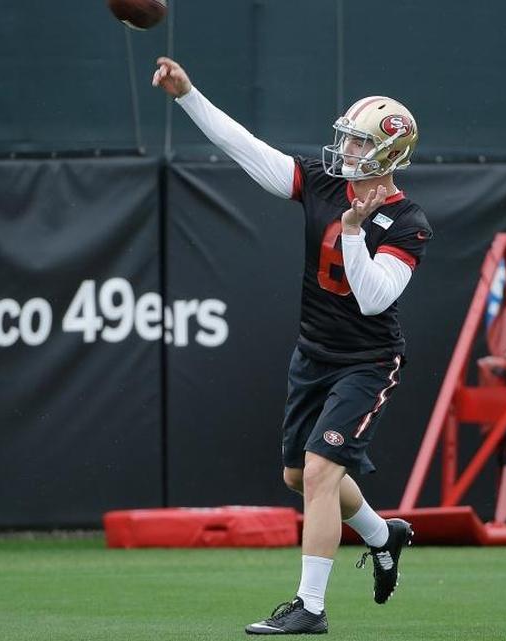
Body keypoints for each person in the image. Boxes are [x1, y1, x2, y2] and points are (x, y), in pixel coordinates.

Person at [153, 57, 433, 635]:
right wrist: (187, 95)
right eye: (348, 139)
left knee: (321, 469)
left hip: (368, 361)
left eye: (358, 142)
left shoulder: (408, 221)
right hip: (314, 353)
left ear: (388, 152)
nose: (347, 150)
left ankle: (311, 606)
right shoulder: (326, 184)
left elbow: (377, 298)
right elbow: (246, 147)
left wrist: (355, 232)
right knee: (298, 478)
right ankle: (385, 534)